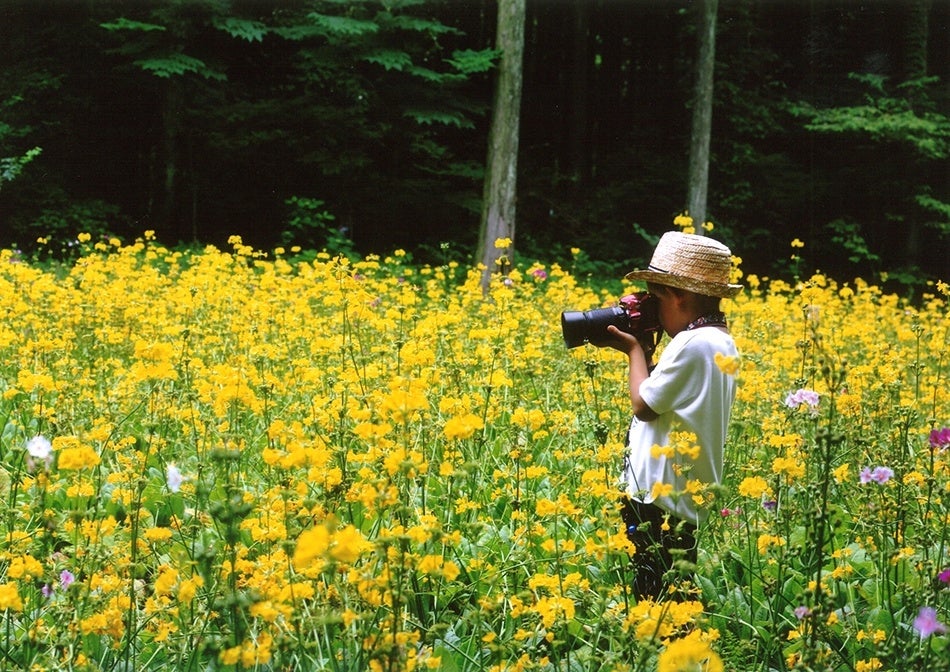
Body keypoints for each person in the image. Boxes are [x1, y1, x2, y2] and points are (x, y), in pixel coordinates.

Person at [600, 231, 742, 600]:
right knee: (673, 586)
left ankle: (675, 652)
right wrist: (647, 347)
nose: (649, 307)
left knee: (658, 594)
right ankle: (680, 651)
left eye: (655, 297)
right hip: (684, 494)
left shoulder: (692, 343)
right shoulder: (718, 340)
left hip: (658, 496)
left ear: (679, 296)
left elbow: (644, 405)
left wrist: (633, 349)